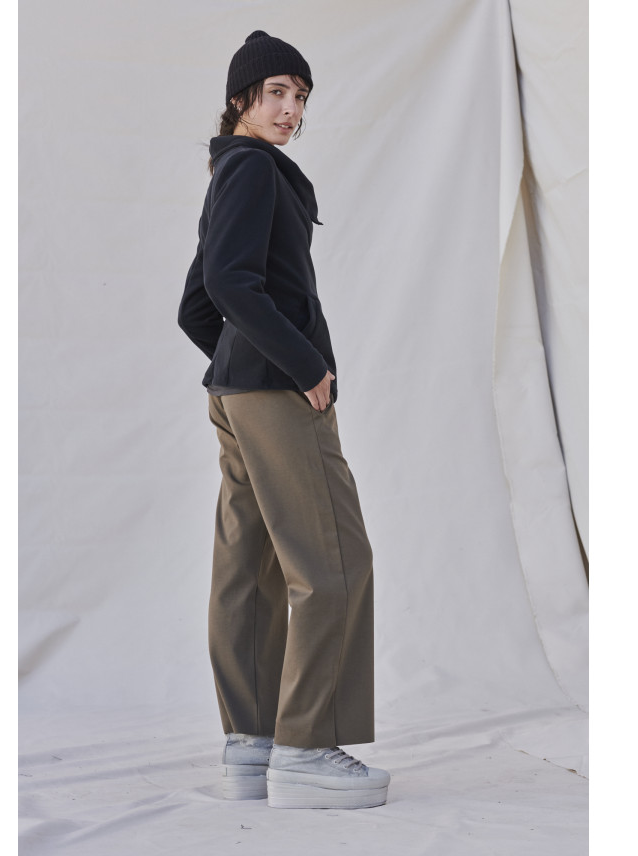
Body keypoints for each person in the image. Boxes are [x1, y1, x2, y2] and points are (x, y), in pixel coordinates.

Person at [178, 30, 390, 810]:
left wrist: (240, 363)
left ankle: (253, 741)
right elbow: (229, 286)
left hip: (239, 392)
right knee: (335, 558)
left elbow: (196, 304)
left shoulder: (232, 170)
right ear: (242, 98)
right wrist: (303, 368)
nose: (291, 110)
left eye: (300, 97)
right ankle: (305, 746)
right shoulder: (256, 169)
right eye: (276, 93)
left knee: (252, 567)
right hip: (274, 393)